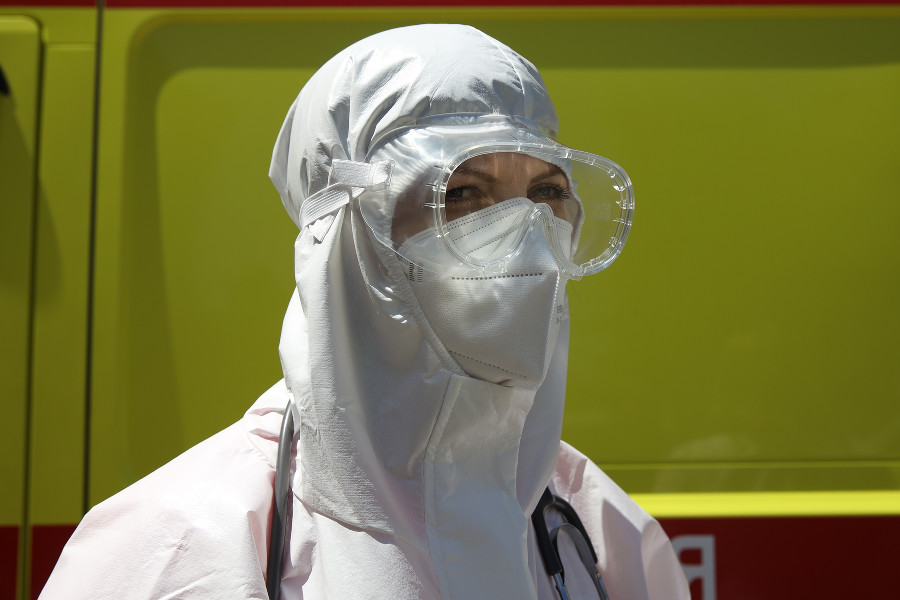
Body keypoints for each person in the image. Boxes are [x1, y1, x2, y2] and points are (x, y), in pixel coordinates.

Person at [39, 24, 689, 599]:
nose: (523, 236)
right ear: (346, 234)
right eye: (462, 193)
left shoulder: (598, 528)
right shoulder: (180, 543)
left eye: (546, 193)